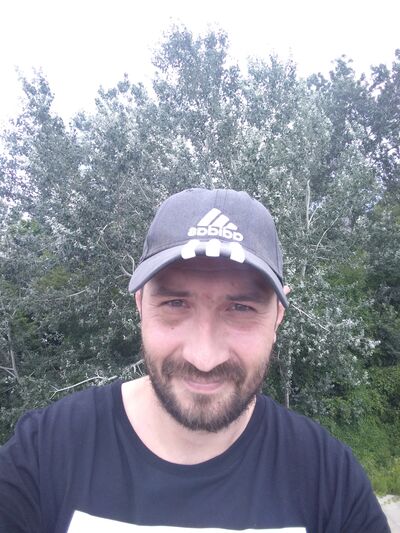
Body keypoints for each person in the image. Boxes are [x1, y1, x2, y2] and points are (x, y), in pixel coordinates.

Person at [0, 188, 389, 532]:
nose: (204, 357)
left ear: (277, 318)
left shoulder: (329, 481)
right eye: (175, 303)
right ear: (140, 305)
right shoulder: (42, 457)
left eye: (240, 308)